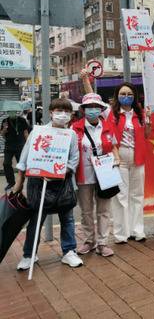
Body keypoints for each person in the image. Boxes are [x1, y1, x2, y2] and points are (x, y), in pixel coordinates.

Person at [81, 70, 151, 244]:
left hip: (138, 158)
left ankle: (137, 230)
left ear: (134, 96)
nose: (126, 96)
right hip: (117, 158)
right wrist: (85, 79)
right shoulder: (109, 113)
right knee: (120, 197)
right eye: (122, 94)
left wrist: (148, 121)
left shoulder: (140, 114)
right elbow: (92, 98)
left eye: (129, 94)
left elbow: (147, 135)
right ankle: (121, 233)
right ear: (117, 96)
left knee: (137, 195)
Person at [13, 98, 83, 270]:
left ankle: (69, 251)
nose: (63, 114)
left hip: (63, 183)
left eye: (67, 111)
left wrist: (60, 171)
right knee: (36, 221)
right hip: (39, 184)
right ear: (51, 112)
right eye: (59, 110)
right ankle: (29, 255)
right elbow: (24, 158)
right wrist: (19, 183)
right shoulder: (38, 132)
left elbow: (74, 159)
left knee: (67, 219)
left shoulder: (71, 134)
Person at [72, 93, 120, 257]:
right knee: (86, 211)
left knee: (104, 210)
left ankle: (103, 242)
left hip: (105, 175)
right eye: (89, 107)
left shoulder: (108, 126)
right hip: (83, 175)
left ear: (100, 109)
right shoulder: (75, 128)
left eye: (96, 107)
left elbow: (114, 146)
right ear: (84, 109)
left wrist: (117, 159)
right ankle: (89, 241)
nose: (92, 110)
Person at [1, 109, 30, 190]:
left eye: (13, 111)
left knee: (21, 166)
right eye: (9, 111)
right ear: (7, 112)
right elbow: (2, 135)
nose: (11, 113)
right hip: (9, 146)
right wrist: (4, 129)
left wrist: (28, 145)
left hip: (20, 146)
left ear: (16, 112)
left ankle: (21, 182)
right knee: (6, 164)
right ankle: (11, 182)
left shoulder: (22, 120)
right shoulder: (5, 121)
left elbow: (25, 133)